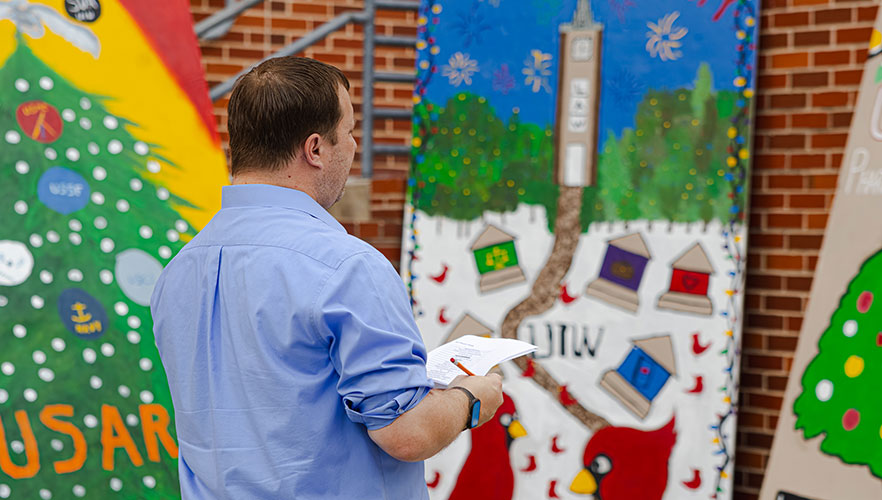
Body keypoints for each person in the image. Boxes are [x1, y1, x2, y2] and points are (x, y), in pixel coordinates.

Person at [150, 56, 504, 499]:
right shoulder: (348, 267)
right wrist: (471, 397)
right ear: (315, 149)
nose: (354, 147)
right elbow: (406, 433)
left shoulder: (177, 272)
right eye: (350, 132)